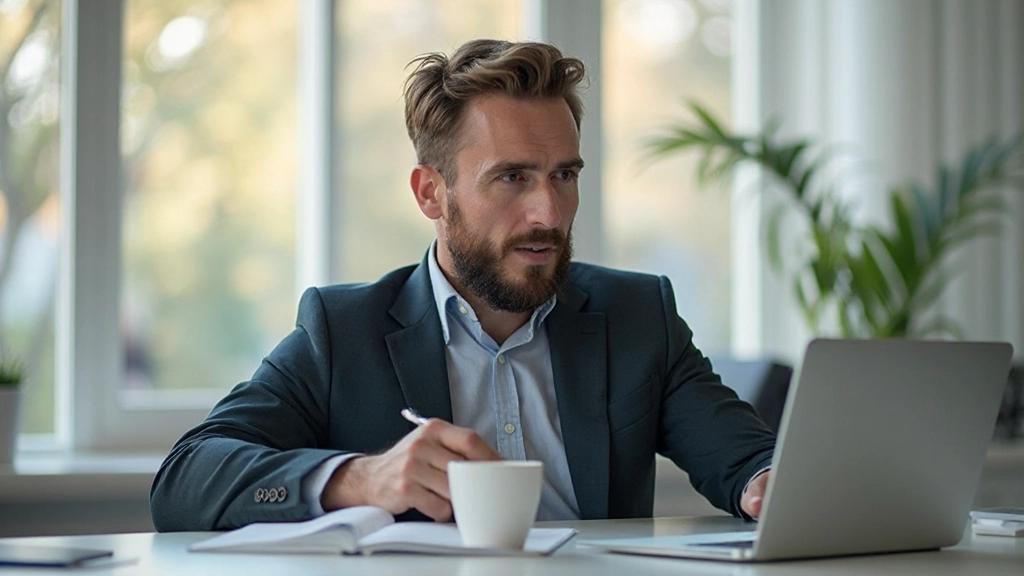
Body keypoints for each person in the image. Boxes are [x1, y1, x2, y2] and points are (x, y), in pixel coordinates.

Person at [150, 39, 775, 532]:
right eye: (511, 178)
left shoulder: (638, 316)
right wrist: (360, 479)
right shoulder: (344, 332)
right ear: (431, 192)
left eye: (563, 175)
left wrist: (764, 483)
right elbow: (185, 481)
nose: (548, 214)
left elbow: (748, 460)